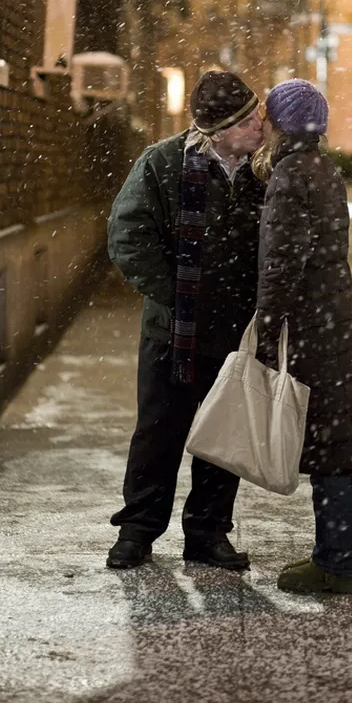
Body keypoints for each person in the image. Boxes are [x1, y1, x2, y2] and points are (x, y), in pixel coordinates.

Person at [106, 71, 265, 570]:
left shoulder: (263, 169)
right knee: (159, 431)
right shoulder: (163, 162)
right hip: (173, 331)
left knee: (223, 436)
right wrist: (174, 295)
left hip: (237, 331)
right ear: (219, 130)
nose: (261, 123)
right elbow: (128, 235)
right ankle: (137, 531)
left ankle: (208, 534)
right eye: (249, 119)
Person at [253, 78, 352, 595]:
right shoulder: (324, 168)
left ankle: (335, 563)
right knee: (336, 443)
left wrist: (267, 325)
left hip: (312, 323)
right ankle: (334, 555)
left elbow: (282, 261)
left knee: (330, 447)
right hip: (334, 316)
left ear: (282, 124)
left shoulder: (291, 174)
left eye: (267, 116)